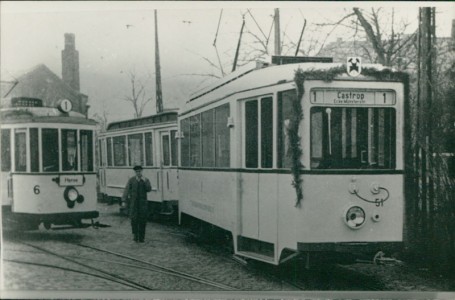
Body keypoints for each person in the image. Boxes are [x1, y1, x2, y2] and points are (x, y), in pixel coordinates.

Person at [121, 165, 152, 243]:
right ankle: (135, 236)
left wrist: (145, 181)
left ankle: (142, 237)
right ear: (135, 172)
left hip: (142, 204)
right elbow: (126, 190)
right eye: (137, 171)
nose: (138, 173)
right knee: (134, 220)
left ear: (142, 171)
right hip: (133, 204)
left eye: (139, 171)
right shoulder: (131, 180)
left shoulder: (145, 180)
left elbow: (149, 189)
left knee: (142, 220)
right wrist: (124, 200)